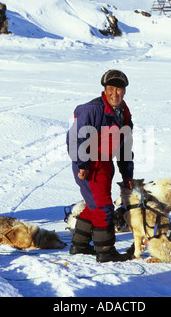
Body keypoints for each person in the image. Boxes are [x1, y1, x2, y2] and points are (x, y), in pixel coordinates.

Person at [66, 69, 134, 262]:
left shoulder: (123, 114)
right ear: (104, 89)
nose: (115, 93)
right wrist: (82, 165)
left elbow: (125, 147)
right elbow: (75, 139)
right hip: (89, 166)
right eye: (111, 88)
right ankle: (105, 251)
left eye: (119, 89)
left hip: (105, 166)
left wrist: (127, 174)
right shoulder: (93, 110)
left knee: (93, 205)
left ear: (124, 91)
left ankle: (79, 245)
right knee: (103, 208)